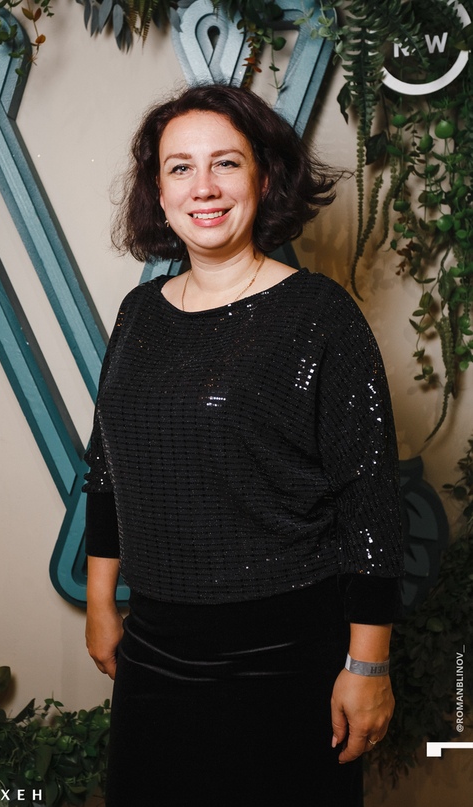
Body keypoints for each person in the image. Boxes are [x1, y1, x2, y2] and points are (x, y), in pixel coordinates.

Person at [83, 84, 404, 807]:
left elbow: (372, 505)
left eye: (226, 163)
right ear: (158, 192)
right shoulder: (139, 313)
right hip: (154, 646)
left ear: (264, 178)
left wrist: (369, 665)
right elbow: (108, 467)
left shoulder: (319, 314)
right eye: (180, 168)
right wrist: (103, 601)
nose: (203, 187)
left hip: (286, 656)